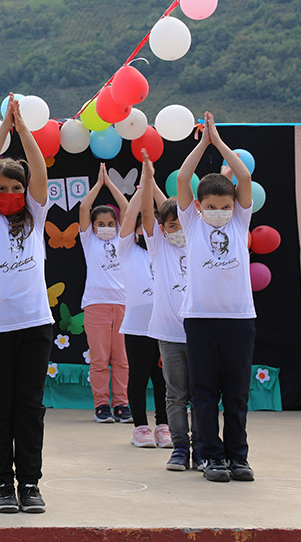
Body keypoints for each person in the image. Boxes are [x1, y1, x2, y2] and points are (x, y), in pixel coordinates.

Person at [0, 96, 52, 514]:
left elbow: (40, 172)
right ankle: (2, 484)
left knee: (30, 407)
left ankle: (30, 484)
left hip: (35, 324)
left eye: (16, 188)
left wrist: (24, 131)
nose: (9, 193)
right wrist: (4, 128)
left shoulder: (35, 215)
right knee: (1, 406)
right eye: (1, 189)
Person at [176, 112, 256, 483]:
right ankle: (211, 457)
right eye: (212, 207)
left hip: (239, 319)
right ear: (198, 206)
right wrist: (202, 144)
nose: (219, 213)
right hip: (200, 319)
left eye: (225, 207)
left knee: (236, 394)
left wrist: (219, 141)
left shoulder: (240, 221)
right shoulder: (192, 223)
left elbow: (244, 178)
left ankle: (238, 457)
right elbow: (182, 179)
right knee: (205, 393)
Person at [142, 155, 193, 471]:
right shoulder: (159, 247)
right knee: (175, 395)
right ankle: (180, 449)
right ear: (163, 230)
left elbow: (176, 211)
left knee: (201, 395)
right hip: (170, 335)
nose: (178, 230)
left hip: (201, 333)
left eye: (183, 224)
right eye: (172, 226)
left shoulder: (199, 243)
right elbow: (153, 213)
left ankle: (203, 449)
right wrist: (148, 180)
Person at [118, 162, 169, 450]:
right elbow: (128, 215)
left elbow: (171, 211)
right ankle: (140, 428)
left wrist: (153, 184)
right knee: (137, 378)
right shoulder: (127, 251)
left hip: (165, 326)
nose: (146, 230)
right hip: (137, 327)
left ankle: (163, 426)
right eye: (141, 226)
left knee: (163, 380)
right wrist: (141, 187)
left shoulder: (167, 249)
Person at [78, 164, 131, 423]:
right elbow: (83, 208)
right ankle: (102, 405)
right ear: (93, 226)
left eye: (111, 223)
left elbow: (128, 209)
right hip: (96, 305)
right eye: (101, 224)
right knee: (99, 359)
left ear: (117, 224)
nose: (106, 227)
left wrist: (111, 185)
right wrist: (98, 185)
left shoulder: (122, 239)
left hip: (123, 305)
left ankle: (121, 403)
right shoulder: (89, 240)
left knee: (121, 359)